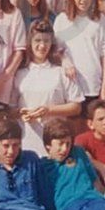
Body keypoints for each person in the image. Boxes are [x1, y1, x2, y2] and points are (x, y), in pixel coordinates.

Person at [11, 20, 84, 155]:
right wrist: (22, 113)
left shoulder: (61, 72)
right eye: (37, 41)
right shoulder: (20, 74)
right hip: (27, 141)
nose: (42, 45)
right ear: (30, 43)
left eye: (46, 41)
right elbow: (11, 110)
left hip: (56, 144)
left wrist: (49, 110)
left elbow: (76, 107)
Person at [55, 0, 105, 110]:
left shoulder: (100, 19)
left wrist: (104, 88)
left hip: (93, 85)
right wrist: (65, 60)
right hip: (70, 85)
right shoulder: (62, 19)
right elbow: (56, 49)